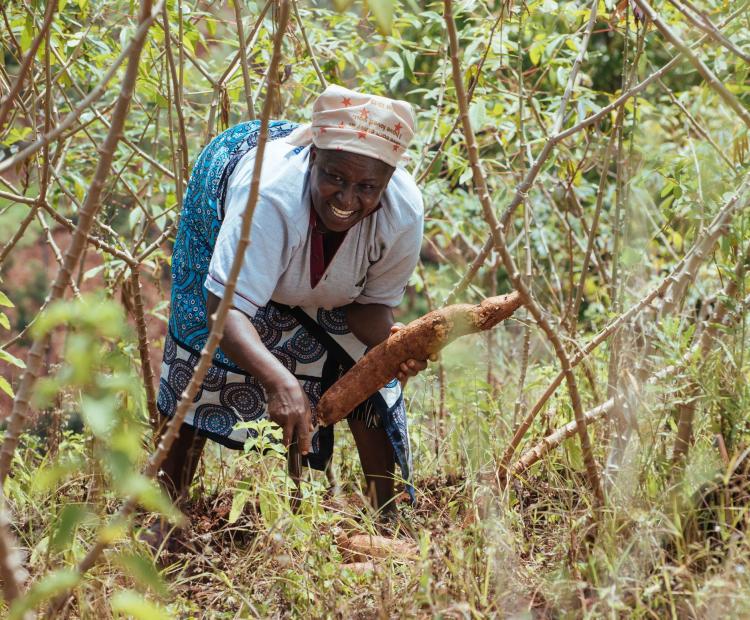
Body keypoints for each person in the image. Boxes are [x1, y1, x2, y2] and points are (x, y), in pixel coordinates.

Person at [155, 85, 428, 518]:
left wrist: (394, 345)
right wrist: (279, 381)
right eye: (335, 177)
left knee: (373, 373)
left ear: (388, 183)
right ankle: (162, 516)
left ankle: (389, 515)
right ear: (313, 159)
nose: (346, 198)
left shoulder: (403, 214)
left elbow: (368, 308)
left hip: (317, 271)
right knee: (197, 360)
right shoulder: (269, 197)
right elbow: (222, 309)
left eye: (366, 187)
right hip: (223, 193)